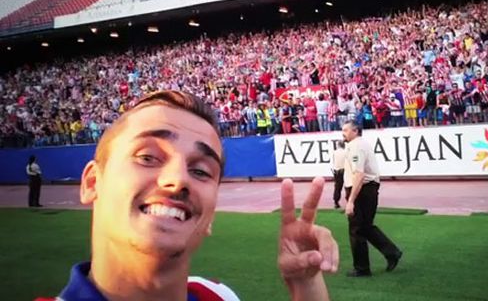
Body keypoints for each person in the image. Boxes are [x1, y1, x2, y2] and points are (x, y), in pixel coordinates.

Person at [37, 91, 339, 301]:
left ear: (210, 216)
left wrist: (305, 283)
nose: (178, 179)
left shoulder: (218, 296)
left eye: (201, 171)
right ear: (92, 182)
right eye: (147, 157)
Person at [341, 121, 402, 277]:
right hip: (368, 189)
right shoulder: (360, 144)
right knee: (365, 227)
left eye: (346, 130)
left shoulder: (356, 146)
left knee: (356, 229)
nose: (343, 133)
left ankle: (362, 268)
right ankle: (391, 252)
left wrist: (351, 201)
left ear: (355, 131)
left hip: (363, 190)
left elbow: (359, 174)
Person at [331, 141, 346, 209]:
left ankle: (336, 202)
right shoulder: (346, 152)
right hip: (344, 170)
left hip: (337, 171)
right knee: (348, 186)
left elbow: (334, 162)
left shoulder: (335, 152)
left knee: (337, 187)